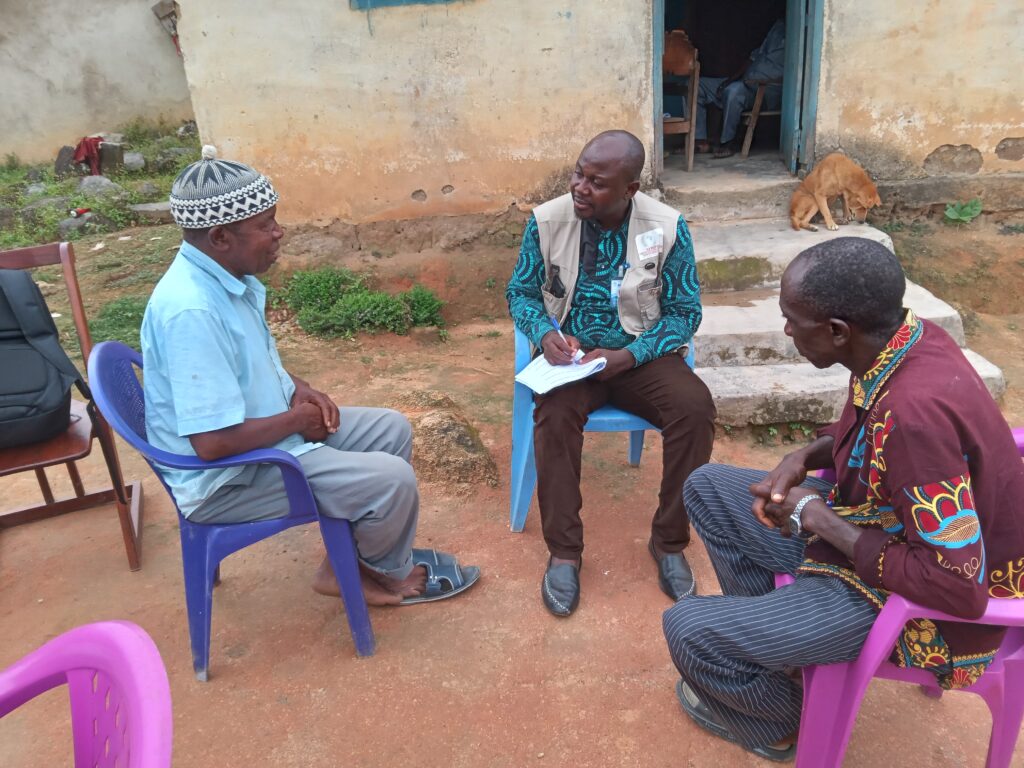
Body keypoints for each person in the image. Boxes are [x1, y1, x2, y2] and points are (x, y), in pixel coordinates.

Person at [662, 237, 1024, 761]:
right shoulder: (905, 341)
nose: (786, 330)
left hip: (917, 605)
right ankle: (779, 653)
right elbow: (866, 428)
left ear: (837, 331)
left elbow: (954, 586)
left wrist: (817, 517)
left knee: (689, 630)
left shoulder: (914, 419)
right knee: (708, 489)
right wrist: (804, 458)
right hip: (882, 522)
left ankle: (783, 719)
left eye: (792, 319)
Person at [142, 145, 480, 607]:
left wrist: (299, 388)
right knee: (392, 479)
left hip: (261, 443)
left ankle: (351, 564)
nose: (279, 233)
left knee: (390, 428)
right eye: (265, 225)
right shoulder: (191, 310)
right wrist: (298, 421)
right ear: (221, 236)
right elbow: (212, 444)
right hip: (228, 480)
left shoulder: (225, 278)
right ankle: (380, 574)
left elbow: (250, 364)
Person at [506, 130, 716, 617]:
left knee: (695, 409)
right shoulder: (546, 220)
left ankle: (668, 542)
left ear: (630, 189)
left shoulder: (666, 226)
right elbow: (521, 292)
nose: (580, 187)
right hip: (571, 361)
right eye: (579, 173)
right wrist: (544, 334)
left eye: (597, 182)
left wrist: (636, 353)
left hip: (638, 356)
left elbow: (685, 312)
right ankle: (564, 551)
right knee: (553, 416)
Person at [694, 17, 785, 158]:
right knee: (698, 84)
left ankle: (728, 142)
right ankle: (700, 140)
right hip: (744, 82)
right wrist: (729, 80)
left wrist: (739, 83)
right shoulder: (777, 27)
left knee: (733, 91)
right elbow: (753, 57)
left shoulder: (798, 37)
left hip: (764, 90)